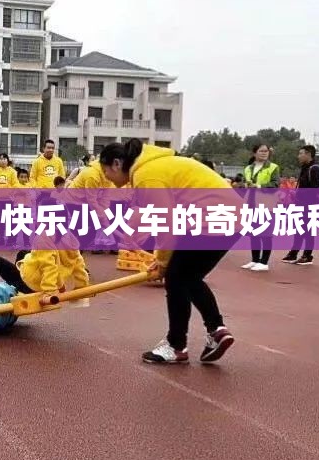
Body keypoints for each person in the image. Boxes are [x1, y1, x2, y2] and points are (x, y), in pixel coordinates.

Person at [97, 139, 238, 364]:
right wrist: (158, 258)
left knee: (177, 277)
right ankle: (216, 330)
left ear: (116, 164)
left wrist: (162, 263)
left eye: (106, 171)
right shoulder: (154, 167)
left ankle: (176, 345)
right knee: (188, 277)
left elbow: (167, 225)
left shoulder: (147, 175)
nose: (107, 178)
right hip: (230, 218)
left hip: (210, 219)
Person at [0, 232, 90, 305]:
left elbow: (49, 268)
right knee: (23, 252)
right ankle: (17, 278)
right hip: (41, 279)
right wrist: (81, 290)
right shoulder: (72, 244)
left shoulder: (46, 238)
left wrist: (49, 291)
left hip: (29, 282)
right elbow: (79, 270)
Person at [282, 145, 319, 266]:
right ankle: (294, 253)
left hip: (310, 205)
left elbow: (316, 189)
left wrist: (302, 195)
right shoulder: (305, 168)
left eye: (301, 153)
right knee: (298, 229)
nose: (298, 156)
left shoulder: (315, 168)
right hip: (300, 204)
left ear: (308, 154)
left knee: (308, 231)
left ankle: (307, 255)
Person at [242, 144, 280, 272]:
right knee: (253, 233)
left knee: (266, 234)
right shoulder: (248, 168)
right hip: (251, 204)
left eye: (266, 151)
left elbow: (275, 184)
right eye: (261, 151)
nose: (264, 153)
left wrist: (258, 186)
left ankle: (264, 262)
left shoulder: (273, 167)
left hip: (266, 205)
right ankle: (255, 260)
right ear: (254, 153)